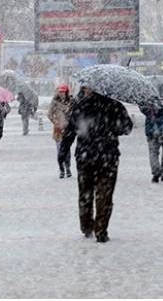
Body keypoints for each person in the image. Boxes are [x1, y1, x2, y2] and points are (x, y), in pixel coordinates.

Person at [59, 87, 133, 243]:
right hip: (108, 157)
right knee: (104, 195)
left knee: (85, 193)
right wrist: (112, 127)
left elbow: (70, 130)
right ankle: (101, 230)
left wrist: (63, 150)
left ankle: (86, 225)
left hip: (85, 157)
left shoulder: (81, 106)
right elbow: (127, 128)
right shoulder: (114, 106)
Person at [48, 83, 74, 178]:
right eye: (60, 91)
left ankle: (68, 167)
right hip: (58, 129)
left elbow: (75, 113)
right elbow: (49, 114)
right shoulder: (54, 101)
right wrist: (56, 122)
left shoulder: (71, 101)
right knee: (60, 150)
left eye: (63, 91)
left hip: (68, 129)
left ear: (67, 92)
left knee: (67, 150)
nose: (61, 93)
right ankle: (61, 169)